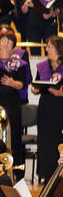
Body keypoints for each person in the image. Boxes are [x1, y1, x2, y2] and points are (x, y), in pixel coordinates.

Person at [0, 27, 30, 173]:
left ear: (13, 45)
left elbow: (23, 84)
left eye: (9, 41)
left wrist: (12, 83)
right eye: (3, 40)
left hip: (12, 103)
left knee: (13, 137)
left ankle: (15, 172)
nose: (6, 44)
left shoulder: (20, 63)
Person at [31, 36, 63, 181]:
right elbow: (36, 85)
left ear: (58, 48)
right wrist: (35, 89)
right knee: (45, 142)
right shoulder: (43, 66)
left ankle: (59, 175)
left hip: (60, 107)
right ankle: (46, 175)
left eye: (49, 46)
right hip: (45, 107)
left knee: (58, 140)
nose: (46, 49)